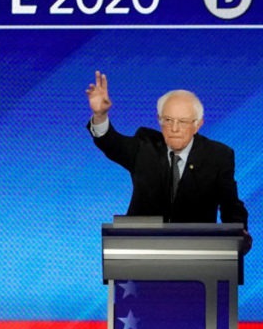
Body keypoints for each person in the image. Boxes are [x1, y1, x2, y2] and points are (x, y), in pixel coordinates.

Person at [84, 70, 250, 249]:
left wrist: (237, 236)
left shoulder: (218, 155)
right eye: (168, 120)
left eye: (183, 121)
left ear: (198, 124)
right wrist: (100, 116)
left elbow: (230, 204)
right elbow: (111, 143)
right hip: (139, 251)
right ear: (159, 120)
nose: (174, 128)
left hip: (197, 254)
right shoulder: (145, 146)